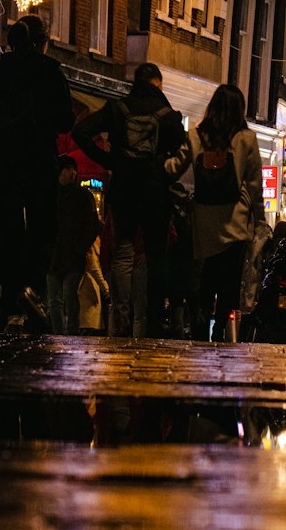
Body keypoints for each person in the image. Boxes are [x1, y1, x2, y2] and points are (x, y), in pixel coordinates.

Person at [72, 62, 186, 336]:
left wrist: (110, 160)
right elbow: (184, 151)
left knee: (123, 254)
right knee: (156, 257)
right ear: (157, 85)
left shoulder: (117, 108)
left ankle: (119, 319)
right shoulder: (168, 115)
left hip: (124, 190)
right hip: (155, 193)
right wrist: (166, 174)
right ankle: (155, 320)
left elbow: (81, 131)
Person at [0, 15, 74, 326]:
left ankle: (11, 302)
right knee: (43, 227)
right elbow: (65, 121)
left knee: (8, 230)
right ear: (42, 42)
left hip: (0, 159)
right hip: (35, 159)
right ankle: (32, 290)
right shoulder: (48, 71)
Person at [166, 83, 266, 342]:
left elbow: (174, 167)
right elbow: (255, 183)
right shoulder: (246, 139)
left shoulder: (196, 135)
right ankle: (220, 326)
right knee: (230, 277)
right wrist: (260, 217)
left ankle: (200, 320)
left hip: (205, 216)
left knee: (207, 273)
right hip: (236, 215)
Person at [46, 155, 101, 335]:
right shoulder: (73, 195)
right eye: (70, 169)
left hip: (67, 254)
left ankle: (66, 333)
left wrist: (80, 248)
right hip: (60, 254)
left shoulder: (80, 195)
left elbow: (93, 225)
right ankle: (63, 333)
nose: (73, 173)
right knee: (58, 298)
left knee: (65, 297)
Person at [77, 236, 109, 336]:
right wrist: (106, 289)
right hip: (88, 287)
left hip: (85, 284)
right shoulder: (92, 239)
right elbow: (93, 265)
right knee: (88, 323)